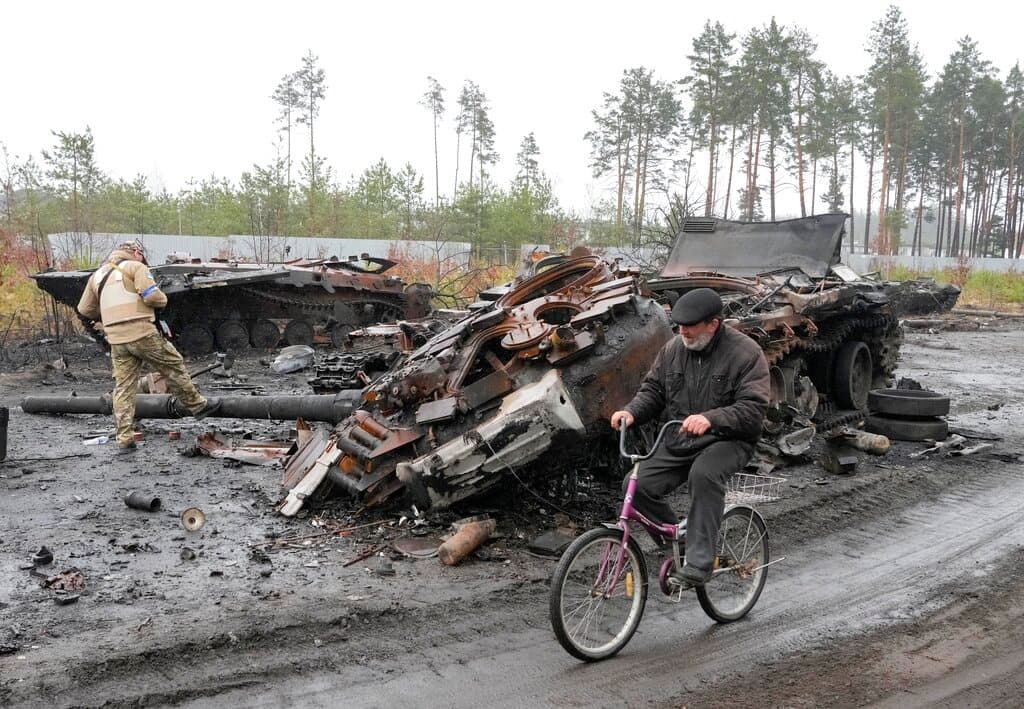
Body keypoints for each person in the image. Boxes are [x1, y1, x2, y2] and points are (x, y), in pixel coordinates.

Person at [610, 287, 770, 587]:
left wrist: (711, 418)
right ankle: (682, 542)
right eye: (679, 325)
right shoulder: (673, 350)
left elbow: (753, 409)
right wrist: (631, 412)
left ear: (713, 324)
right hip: (681, 439)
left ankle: (699, 563)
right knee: (636, 485)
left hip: (729, 440)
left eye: (690, 326)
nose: (682, 331)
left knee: (703, 475)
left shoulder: (746, 353)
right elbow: (653, 390)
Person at [77, 239, 219, 453]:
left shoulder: (97, 276)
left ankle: (124, 438)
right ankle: (197, 405)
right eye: (141, 254)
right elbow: (152, 296)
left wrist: (110, 316)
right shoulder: (136, 267)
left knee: (124, 387)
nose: (143, 258)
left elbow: (85, 309)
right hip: (142, 332)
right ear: (135, 252)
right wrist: (163, 300)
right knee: (173, 365)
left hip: (117, 339)